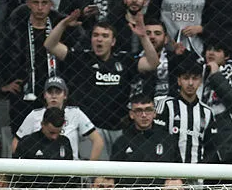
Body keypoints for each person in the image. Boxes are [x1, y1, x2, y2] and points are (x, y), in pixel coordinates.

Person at [44, 10, 159, 159]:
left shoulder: (124, 60)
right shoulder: (81, 58)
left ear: (113, 41)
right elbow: (50, 45)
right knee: (95, 172)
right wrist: (64, 24)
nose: (99, 39)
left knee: (117, 170)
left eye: (105, 36)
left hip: (119, 128)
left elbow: (152, 63)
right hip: (90, 130)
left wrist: (143, 36)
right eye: (96, 35)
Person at [0, 0, 75, 133]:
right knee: (22, 137)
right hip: (24, 95)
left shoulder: (61, 28)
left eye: (44, 3)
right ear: (28, 4)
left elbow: (74, 58)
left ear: (51, 4)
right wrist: (2, 84)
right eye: (36, 3)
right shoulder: (14, 27)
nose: (40, 8)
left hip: (54, 94)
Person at [13, 76, 104, 161]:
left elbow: (98, 141)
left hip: (70, 166)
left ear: (65, 95)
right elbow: (16, 143)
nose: (54, 96)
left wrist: (88, 168)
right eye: (50, 92)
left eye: (58, 92)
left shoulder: (75, 113)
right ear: (44, 95)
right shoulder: (35, 115)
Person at [111, 93, 182, 186]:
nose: (144, 115)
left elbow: (179, 170)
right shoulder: (121, 142)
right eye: (139, 111)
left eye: (148, 110)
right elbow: (113, 177)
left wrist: (175, 182)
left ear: (154, 113)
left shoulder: (168, 140)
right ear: (132, 114)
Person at [201, 40, 232, 166]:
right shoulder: (199, 73)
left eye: (217, 50)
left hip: (230, 139)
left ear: (227, 55)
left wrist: (216, 75)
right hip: (204, 134)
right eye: (209, 49)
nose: (211, 53)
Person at [155, 59, 213, 164]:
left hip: (198, 170)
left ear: (200, 81)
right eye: (186, 78)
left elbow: (210, 146)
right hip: (171, 169)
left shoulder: (207, 112)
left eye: (195, 79)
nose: (190, 83)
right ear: (179, 81)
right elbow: (157, 139)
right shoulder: (166, 105)